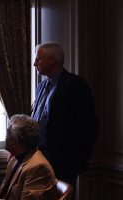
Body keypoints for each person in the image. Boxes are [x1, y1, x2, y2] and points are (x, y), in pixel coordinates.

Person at [31, 42, 98, 190]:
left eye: (38, 59)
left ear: (52, 60)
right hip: (38, 158)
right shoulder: (41, 86)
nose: (35, 63)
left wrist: (78, 158)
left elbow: (88, 125)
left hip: (63, 161)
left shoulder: (75, 84)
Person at [0, 114, 57, 200]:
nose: (5, 138)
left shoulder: (38, 168)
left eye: (7, 135)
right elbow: (1, 195)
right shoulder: (14, 160)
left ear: (15, 141)